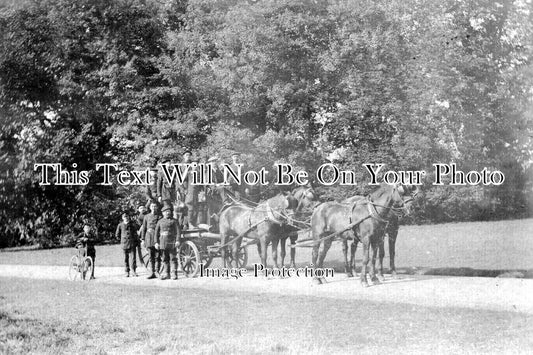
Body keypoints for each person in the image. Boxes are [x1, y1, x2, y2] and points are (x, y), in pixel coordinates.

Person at [154, 203, 181, 280]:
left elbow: (178, 232)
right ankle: (167, 274)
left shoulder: (174, 221)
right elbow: (156, 233)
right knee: (165, 259)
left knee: (173, 258)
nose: (168, 213)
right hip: (163, 242)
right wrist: (156, 242)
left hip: (172, 241)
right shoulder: (160, 221)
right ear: (163, 213)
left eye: (169, 211)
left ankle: (174, 274)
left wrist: (178, 241)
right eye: (166, 211)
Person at [141, 201, 162, 279]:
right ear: (150, 208)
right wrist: (143, 239)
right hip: (149, 236)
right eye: (152, 206)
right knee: (150, 255)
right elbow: (144, 228)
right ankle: (152, 272)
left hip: (157, 236)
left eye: (155, 206)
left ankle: (157, 272)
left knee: (157, 255)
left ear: (157, 207)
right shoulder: (146, 216)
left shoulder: (160, 216)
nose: (153, 208)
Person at [116, 213, 138, 277]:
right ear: (123, 218)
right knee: (125, 258)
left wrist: (135, 241)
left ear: (129, 217)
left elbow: (135, 233)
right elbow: (117, 234)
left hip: (132, 243)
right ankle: (127, 271)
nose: (126, 218)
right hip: (124, 244)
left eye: (127, 216)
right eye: (124, 217)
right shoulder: (120, 225)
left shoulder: (132, 225)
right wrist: (122, 240)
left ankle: (133, 271)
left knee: (133, 258)